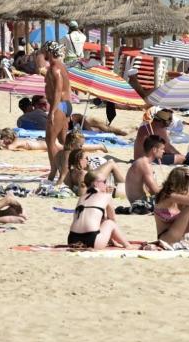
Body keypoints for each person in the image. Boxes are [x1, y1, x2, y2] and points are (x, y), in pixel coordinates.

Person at [68, 174, 133, 249]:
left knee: (103, 221)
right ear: (95, 183)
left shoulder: (82, 197)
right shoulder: (106, 196)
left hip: (72, 240)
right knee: (110, 222)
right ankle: (127, 245)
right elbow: (112, 220)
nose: (106, 184)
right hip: (92, 240)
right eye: (104, 182)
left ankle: (113, 242)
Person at [43, 42, 73, 181]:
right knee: (63, 140)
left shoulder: (55, 68)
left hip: (59, 106)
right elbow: (68, 88)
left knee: (50, 140)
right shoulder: (61, 66)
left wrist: (52, 111)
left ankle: (53, 172)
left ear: (49, 52)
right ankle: (73, 164)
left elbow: (58, 90)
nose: (42, 52)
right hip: (65, 105)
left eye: (44, 50)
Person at [126, 136, 165, 206]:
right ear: (154, 150)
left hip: (137, 202)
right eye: (162, 149)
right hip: (140, 205)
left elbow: (149, 190)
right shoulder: (144, 165)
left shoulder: (142, 162)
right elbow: (155, 191)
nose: (163, 151)